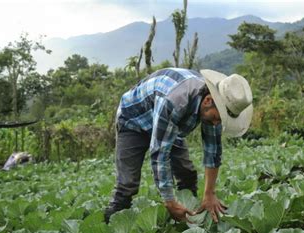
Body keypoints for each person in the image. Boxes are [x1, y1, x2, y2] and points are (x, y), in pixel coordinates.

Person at [104, 68, 253, 223]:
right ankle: (112, 224)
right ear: (208, 101)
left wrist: (209, 194)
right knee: (128, 183)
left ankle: (188, 216)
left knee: (186, 172)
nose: (216, 123)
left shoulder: (214, 105)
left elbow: (213, 151)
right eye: (217, 117)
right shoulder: (176, 100)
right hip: (133, 121)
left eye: (221, 120)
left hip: (166, 122)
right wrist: (169, 201)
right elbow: (160, 154)